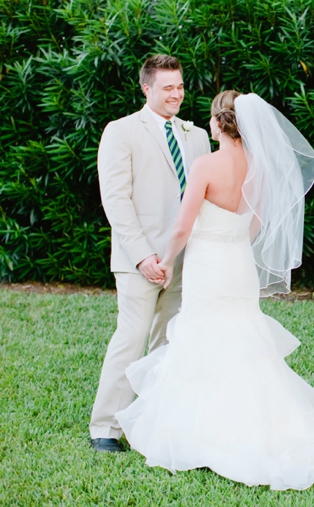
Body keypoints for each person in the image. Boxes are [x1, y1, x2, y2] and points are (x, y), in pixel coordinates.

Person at [114, 91, 314, 490]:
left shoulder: (206, 165)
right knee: (243, 337)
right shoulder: (259, 166)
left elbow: (182, 226)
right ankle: (263, 423)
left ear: (218, 123)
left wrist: (165, 260)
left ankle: (205, 433)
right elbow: (256, 223)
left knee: (203, 336)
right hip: (237, 264)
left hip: (207, 264)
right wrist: (231, 240)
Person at [91, 55, 211, 452]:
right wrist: (143, 256)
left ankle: (152, 423)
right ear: (146, 88)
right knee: (131, 338)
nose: (177, 94)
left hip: (185, 258)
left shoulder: (196, 136)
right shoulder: (121, 131)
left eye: (179, 86)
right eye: (167, 88)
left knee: (169, 342)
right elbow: (116, 200)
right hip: (138, 261)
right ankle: (106, 428)